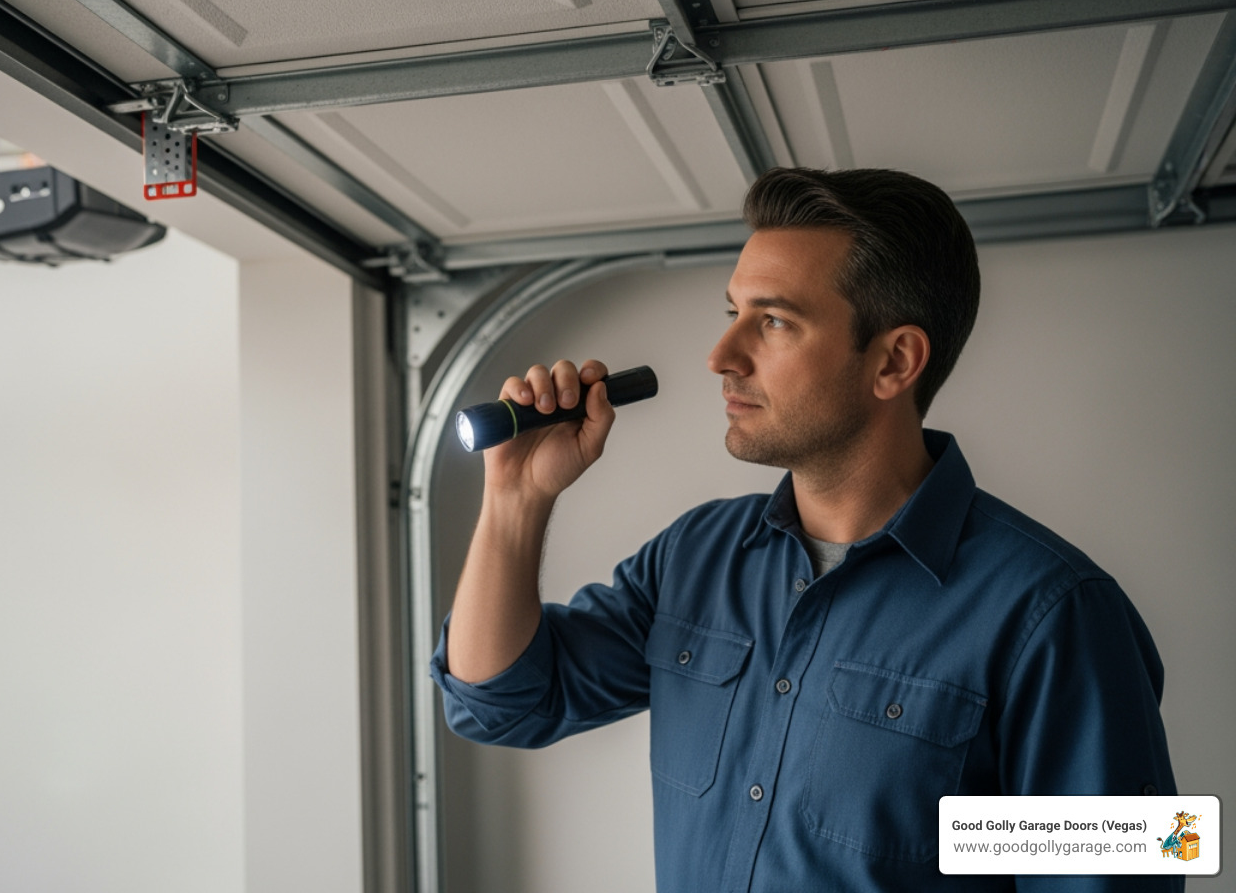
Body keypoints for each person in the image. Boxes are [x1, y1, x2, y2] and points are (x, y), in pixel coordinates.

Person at [430, 167, 1179, 892]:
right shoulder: (694, 560)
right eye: (734, 314)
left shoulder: (1058, 616)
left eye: (775, 321)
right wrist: (517, 495)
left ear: (894, 361)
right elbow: (498, 703)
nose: (722, 358)